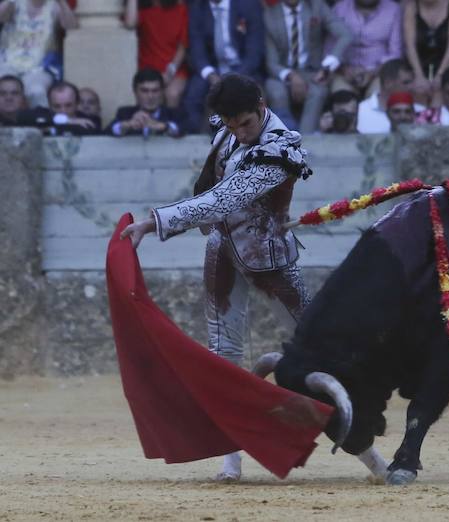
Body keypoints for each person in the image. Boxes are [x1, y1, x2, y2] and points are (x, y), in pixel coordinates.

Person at [119, 74, 314, 482]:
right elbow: (213, 190)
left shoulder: (282, 148)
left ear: (262, 107)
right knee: (223, 353)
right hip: (224, 251)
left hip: (271, 260)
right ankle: (231, 457)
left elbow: (222, 199)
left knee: (315, 343)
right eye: (231, 125)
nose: (239, 134)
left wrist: (154, 222)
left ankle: (363, 441)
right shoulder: (228, 129)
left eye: (245, 124)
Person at [262, 0, 352, 133]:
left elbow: (345, 34)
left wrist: (327, 67)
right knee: (276, 92)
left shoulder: (317, 7)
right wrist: (292, 76)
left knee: (318, 92)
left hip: (311, 72)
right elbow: (271, 62)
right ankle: (284, 140)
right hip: (281, 73)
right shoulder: (269, 16)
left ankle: (304, 142)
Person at [183, 0, 265, 133]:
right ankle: (196, 141)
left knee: (253, 93)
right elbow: (197, 49)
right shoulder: (197, 7)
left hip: (243, 68)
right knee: (193, 95)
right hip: (212, 68)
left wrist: (233, 78)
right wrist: (210, 74)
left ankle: (252, 139)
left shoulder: (249, 5)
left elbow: (254, 52)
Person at [0, 0, 78, 108]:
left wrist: (62, 2)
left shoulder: (54, 7)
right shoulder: (14, 3)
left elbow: (71, 27)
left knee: (36, 90)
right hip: (8, 62)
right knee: (4, 85)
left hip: (40, 66)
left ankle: (39, 122)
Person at [124, 0, 190, 109]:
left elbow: (183, 45)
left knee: (172, 94)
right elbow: (130, 23)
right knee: (148, 94)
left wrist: (170, 72)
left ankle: (169, 125)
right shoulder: (142, 11)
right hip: (148, 69)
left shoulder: (180, 8)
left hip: (175, 68)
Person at [330, 0, 403, 98]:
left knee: (375, 100)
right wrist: (344, 70)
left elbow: (395, 53)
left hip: (379, 72)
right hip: (345, 71)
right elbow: (330, 48)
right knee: (342, 98)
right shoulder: (340, 8)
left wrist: (373, 73)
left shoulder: (393, 10)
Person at [402, 0, 449, 105]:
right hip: (417, 64)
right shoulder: (411, 6)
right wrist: (419, 75)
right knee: (418, 95)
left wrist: (440, 75)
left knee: (439, 99)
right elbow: (409, 46)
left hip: (447, 65)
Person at [107, 69, 184, 137]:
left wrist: (163, 126)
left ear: (162, 92)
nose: (150, 96)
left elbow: (187, 129)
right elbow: (107, 131)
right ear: (135, 92)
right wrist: (128, 125)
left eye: (155, 91)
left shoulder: (174, 114)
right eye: (144, 91)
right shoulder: (125, 113)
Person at [18, 81, 102, 136]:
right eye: (57, 106)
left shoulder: (88, 121)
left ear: (77, 104)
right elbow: (23, 117)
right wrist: (67, 120)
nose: (63, 111)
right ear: (50, 105)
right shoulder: (44, 114)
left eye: (68, 105)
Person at [356, 58, 415, 133]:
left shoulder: (420, 111)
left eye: (412, 82)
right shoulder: (360, 111)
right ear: (388, 83)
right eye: (406, 83)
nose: (412, 87)